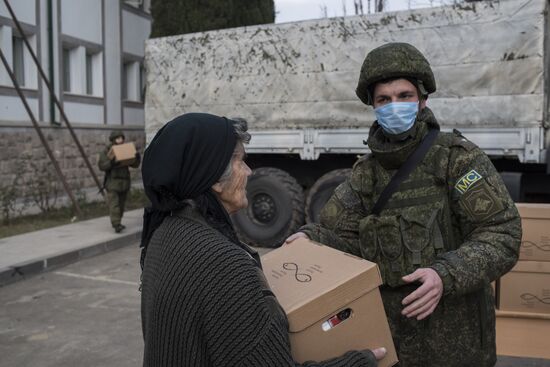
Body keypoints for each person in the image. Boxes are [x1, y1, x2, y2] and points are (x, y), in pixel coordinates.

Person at [287, 43, 521, 367]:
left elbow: (501, 233)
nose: (393, 106)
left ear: (422, 99)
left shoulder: (457, 159)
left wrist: (446, 274)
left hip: (457, 346)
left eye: (404, 96)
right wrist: (309, 240)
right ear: (373, 105)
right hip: (392, 345)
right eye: (383, 99)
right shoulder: (366, 173)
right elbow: (339, 234)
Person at [139, 113, 385, 367]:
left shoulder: (163, 233)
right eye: (240, 161)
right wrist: (360, 362)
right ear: (212, 176)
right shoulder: (224, 264)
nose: (249, 171)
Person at [98, 130, 141, 233]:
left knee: (121, 205)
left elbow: (134, 165)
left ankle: (118, 222)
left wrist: (136, 158)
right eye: (117, 138)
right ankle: (116, 224)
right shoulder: (106, 151)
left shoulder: (125, 149)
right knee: (114, 205)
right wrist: (111, 163)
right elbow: (102, 165)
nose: (120, 140)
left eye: (121, 138)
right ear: (113, 140)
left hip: (124, 182)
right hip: (112, 182)